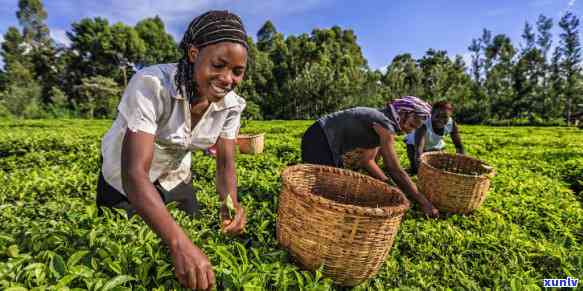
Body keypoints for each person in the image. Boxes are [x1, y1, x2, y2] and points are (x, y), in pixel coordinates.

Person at [96, 10, 249, 290]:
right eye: (219, 65)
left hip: (174, 177)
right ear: (193, 54)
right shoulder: (151, 85)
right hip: (125, 182)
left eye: (237, 72)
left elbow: (225, 163)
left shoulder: (232, 105)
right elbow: (134, 174)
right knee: (133, 255)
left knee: (198, 242)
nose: (228, 79)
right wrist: (178, 243)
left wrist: (231, 204)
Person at [301, 96, 440, 218]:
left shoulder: (381, 122)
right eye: (411, 125)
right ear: (402, 113)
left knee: (335, 186)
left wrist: (388, 185)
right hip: (320, 139)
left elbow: (367, 161)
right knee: (327, 191)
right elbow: (394, 169)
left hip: (324, 142)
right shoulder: (385, 125)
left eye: (414, 128)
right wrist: (424, 202)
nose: (410, 130)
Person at [405, 100, 465, 174]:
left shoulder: (451, 124)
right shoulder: (424, 124)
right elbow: (418, 150)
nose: (440, 120)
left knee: (439, 169)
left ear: (450, 116)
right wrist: (421, 168)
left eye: (445, 117)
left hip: (434, 146)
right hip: (413, 146)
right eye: (437, 116)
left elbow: (459, 146)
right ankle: (413, 169)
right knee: (417, 170)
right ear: (431, 114)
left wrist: (462, 164)